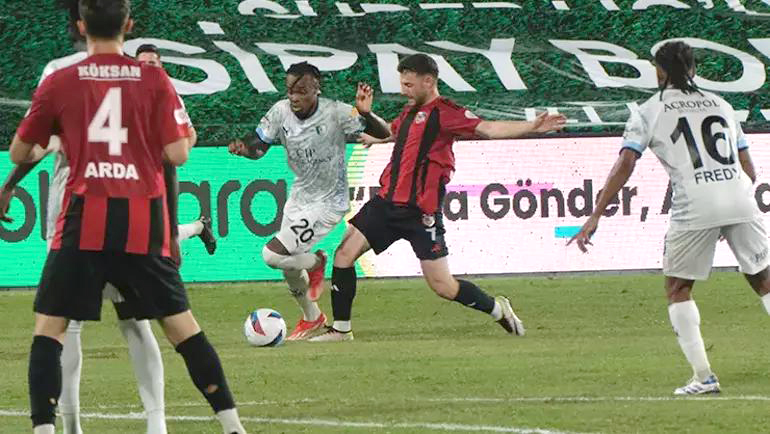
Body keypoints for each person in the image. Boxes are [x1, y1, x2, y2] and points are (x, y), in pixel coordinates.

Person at [10, 1, 245, 433]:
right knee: (180, 328)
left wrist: (62, 139)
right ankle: (232, 427)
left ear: (81, 26)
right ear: (130, 26)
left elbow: (20, 151)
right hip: (142, 220)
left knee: (51, 329)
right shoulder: (153, 79)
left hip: (81, 218)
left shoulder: (61, 80)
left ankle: (47, 429)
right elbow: (178, 153)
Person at [309, 53, 566, 342]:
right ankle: (341, 329)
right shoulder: (410, 111)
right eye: (402, 84)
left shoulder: (446, 112)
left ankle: (497, 308)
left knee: (443, 286)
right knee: (344, 255)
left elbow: (487, 128)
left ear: (428, 81)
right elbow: (394, 132)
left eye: (409, 85)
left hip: (420, 213)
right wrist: (370, 122)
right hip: (385, 203)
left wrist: (530, 126)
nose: (404, 90)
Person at [568, 41, 770, 395]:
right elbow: (747, 166)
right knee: (764, 281)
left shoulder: (650, 110)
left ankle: (704, 377)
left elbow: (625, 164)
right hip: (740, 196)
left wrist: (596, 214)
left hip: (695, 203)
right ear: (693, 69)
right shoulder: (721, 104)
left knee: (678, 288)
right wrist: (734, 206)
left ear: (658, 71)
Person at [228, 61, 390, 341]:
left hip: (328, 202)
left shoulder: (337, 112)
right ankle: (312, 318)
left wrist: (366, 113)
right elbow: (259, 147)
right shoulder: (280, 111)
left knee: (272, 255)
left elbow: (383, 133)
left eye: (301, 90)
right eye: (290, 90)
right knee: (288, 264)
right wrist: (245, 148)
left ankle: (316, 262)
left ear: (317, 88)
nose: (294, 96)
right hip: (299, 197)